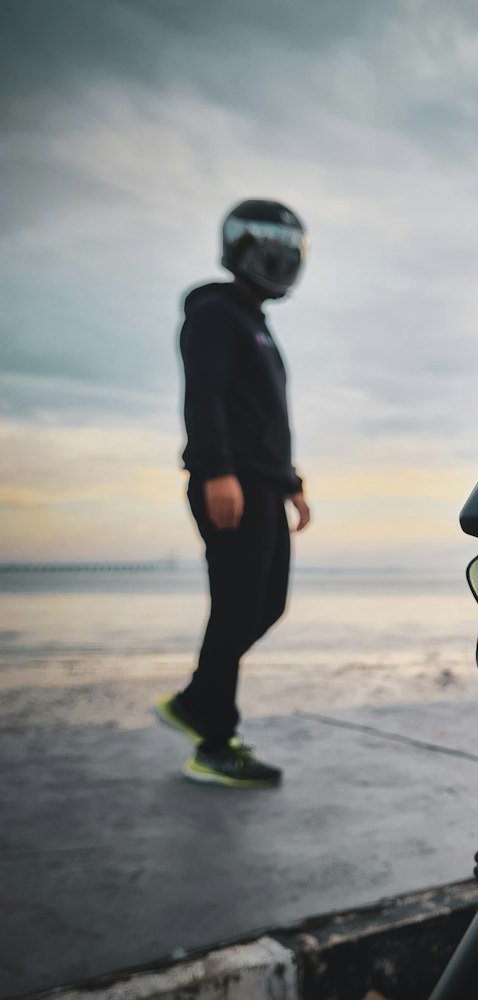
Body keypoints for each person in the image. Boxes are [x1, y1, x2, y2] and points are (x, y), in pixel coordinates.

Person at [154, 199, 311, 789]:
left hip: (262, 486)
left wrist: (291, 484)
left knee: (264, 604)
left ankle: (199, 700)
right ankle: (213, 739)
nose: (286, 258)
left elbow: (261, 416)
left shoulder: (255, 321)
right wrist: (217, 471)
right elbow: (206, 395)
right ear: (243, 245)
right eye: (275, 243)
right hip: (231, 485)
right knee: (237, 606)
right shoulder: (216, 313)